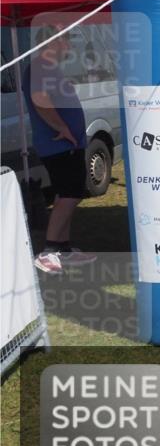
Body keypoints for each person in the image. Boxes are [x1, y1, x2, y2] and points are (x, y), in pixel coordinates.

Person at [24, 25, 97, 274]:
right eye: (65, 41)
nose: (69, 46)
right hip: (57, 142)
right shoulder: (40, 67)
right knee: (71, 193)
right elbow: (40, 100)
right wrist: (62, 127)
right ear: (51, 43)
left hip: (67, 143)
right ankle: (49, 251)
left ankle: (63, 249)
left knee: (66, 193)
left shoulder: (48, 68)